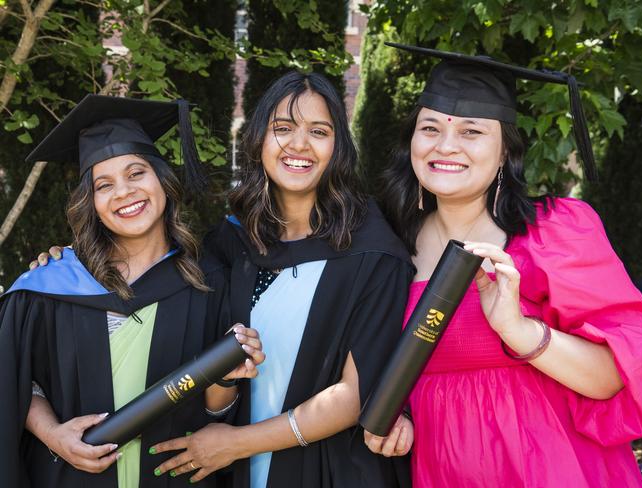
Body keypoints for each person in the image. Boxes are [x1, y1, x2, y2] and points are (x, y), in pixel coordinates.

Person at [364, 44, 642, 487]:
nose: (446, 145)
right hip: (441, 470)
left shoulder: (555, 231)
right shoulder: (387, 248)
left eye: (472, 132)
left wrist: (518, 329)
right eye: (430, 127)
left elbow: (612, 379)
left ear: (504, 153)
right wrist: (397, 414)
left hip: (553, 467)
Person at [148, 71, 414, 487]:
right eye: (283, 128)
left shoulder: (372, 249)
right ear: (259, 140)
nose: (299, 144)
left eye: (319, 131)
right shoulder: (229, 244)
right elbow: (219, 391)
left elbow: (358, 394)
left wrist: (236, 444)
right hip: (239, 468)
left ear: (338, 147)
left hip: (331, 470)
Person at [0, 95, 264, 488]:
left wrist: (226, 381)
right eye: (104, 185)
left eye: (136, 173)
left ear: (162, 180)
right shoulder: (51, 285)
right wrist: (53, 434)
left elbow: (217, 415)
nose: (124, 192)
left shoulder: (209, 282)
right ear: (91, 204)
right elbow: (14, 378)